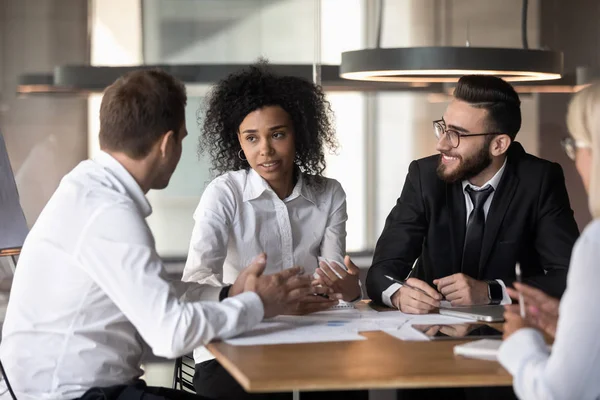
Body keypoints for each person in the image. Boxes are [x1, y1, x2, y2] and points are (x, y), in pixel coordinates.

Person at [0, 69, 315, 400]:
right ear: (167, 144)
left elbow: (153, 299)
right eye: (181, 138)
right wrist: (258, 304)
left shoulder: (86, 188)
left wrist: (231, 294)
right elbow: (171, 334)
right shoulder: (110, 214)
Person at [182, 63, 364, 400]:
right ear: (237, 141)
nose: (264, 149)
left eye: (277, 134)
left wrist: (350, 290)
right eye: (251, 138)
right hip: (237, 339)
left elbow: (334, 280)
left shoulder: (330, 194)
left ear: (300, 134)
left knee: (349, 387)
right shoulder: (225, 193)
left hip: (315, 335)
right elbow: (195, 285)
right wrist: (260, 301)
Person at [366, 75, 579, 316]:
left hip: (507, 333)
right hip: (428, 330)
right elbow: (380, 272)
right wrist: (398, 294)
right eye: (444, 128)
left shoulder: (539, 180)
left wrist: (491, 292)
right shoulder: (424, 176)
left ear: (499, 144)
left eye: (457, 134)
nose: (442, 144)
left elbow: (569, 275)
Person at [499, 82, 600, 400]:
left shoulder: (596, 244)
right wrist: (574, 324)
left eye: (576, 145)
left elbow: (556, 394)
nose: (575, 160)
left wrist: (520, 342)